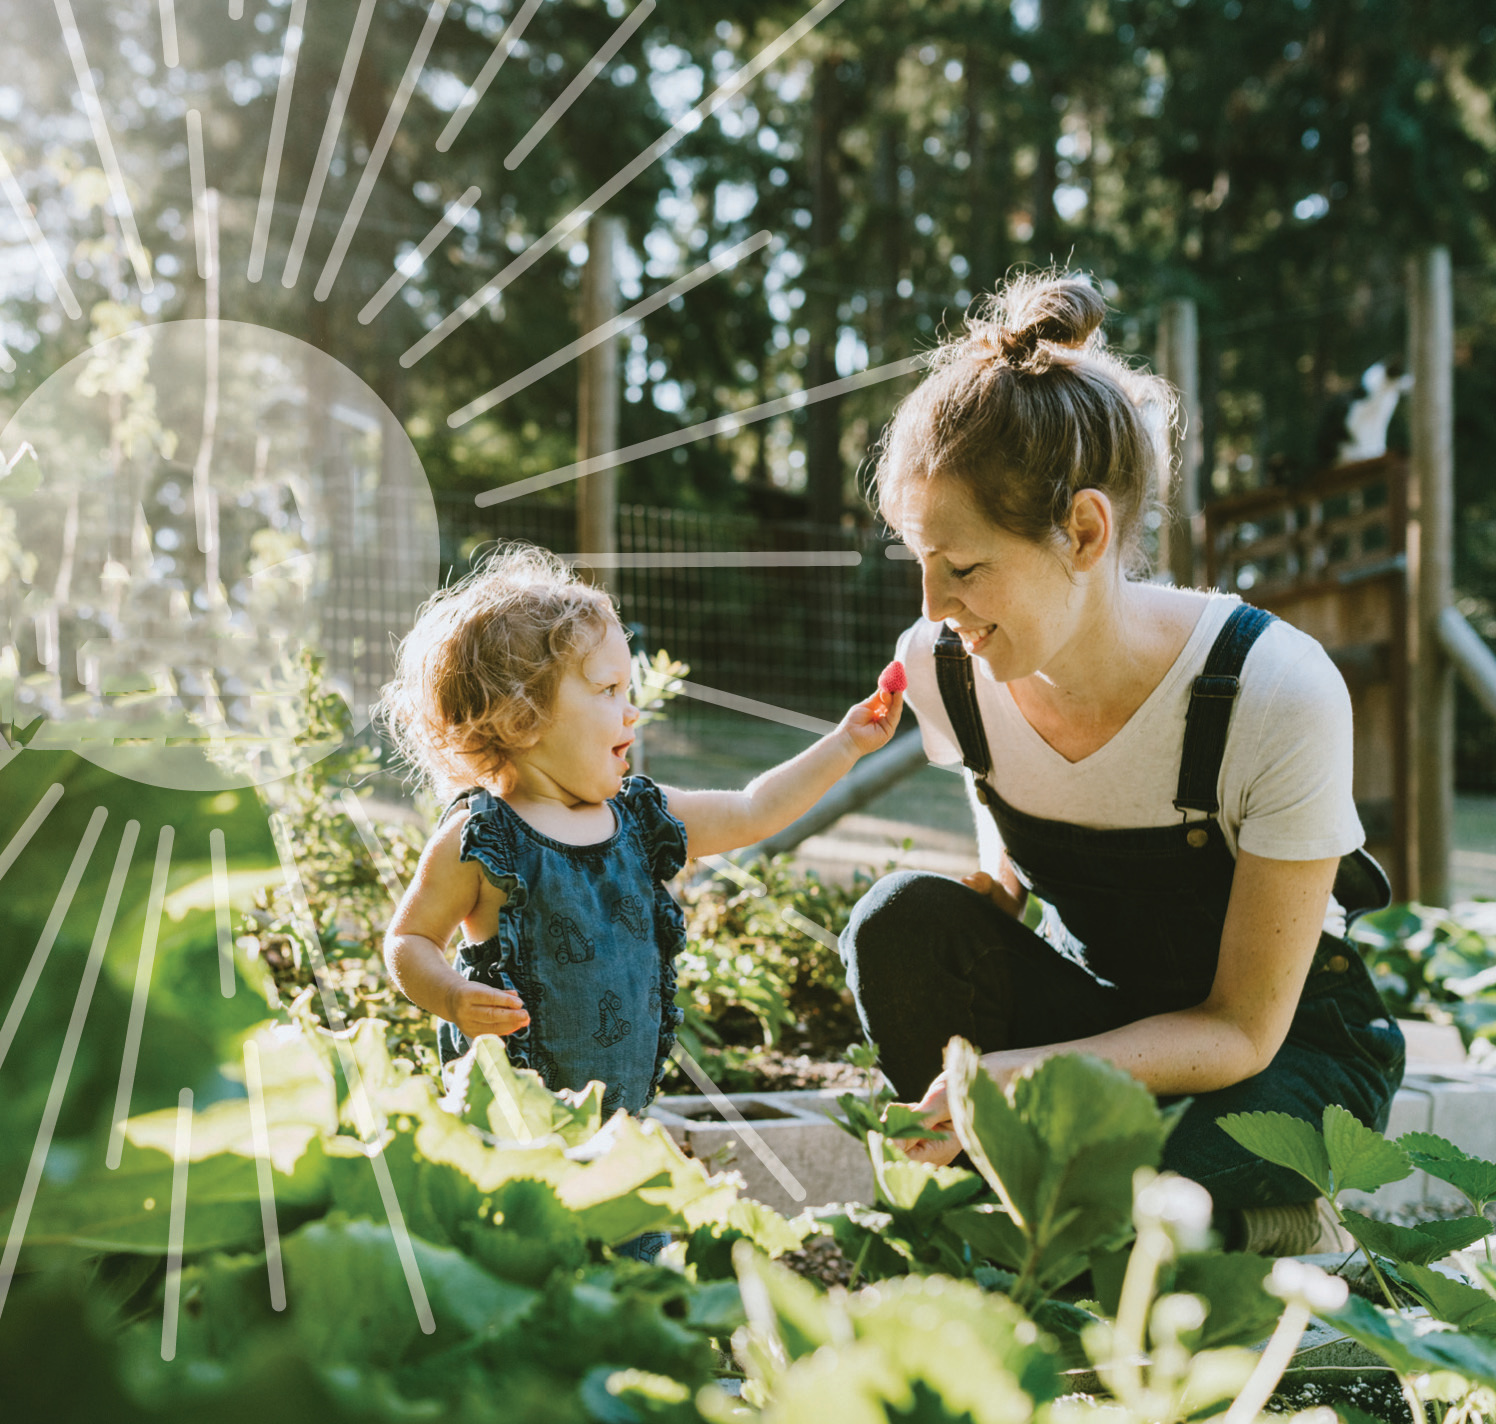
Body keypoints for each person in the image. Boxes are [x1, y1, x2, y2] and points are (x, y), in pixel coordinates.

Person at [839, 271, 1404, 1255]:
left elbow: (1238, 1029)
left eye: (963, 567)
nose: (933, 604)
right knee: (899, 921)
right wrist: (997, 888)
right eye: (917, 559)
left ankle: (1273, 1220)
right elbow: (1006, 805)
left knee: (1160, 1169)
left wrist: (1038, 1075)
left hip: (1278, 1057)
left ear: (1085, 531)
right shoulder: (949, 669)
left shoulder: (1272, 688)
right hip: (1116, 1021)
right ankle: (1053, 1214)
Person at [377, 544, 903, 1261]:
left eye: (630, 691)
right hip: (512, 1136)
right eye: (607, 692)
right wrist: (451, 996)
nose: (631, 713)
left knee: (634, 1264)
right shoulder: (481, 840)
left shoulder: (639, 818)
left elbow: (751, 810)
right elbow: (407, 943)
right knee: (517, 1263)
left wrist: (845, 744)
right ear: (524, 715)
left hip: (621, 1132)